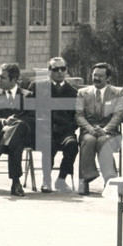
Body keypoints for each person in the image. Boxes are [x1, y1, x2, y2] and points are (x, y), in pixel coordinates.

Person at [28, 56, 78, 193]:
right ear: (49, 71)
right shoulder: (37, 87)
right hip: (42, 131)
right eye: (55, 69)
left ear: (67, 70)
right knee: (48, 143)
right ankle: (46, 180)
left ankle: (61, 179)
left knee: (72, 145)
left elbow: (76, 117)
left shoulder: (73, 92)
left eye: (63, 69)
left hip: (64, 132)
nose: (60, 72)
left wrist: (67, 128)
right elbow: (29, 112)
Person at [0, 62, 33, 197]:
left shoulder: (27, 95)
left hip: (22, 133)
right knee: (15, 142)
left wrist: (12, 124)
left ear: (14, 80)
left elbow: (32, 119)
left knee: (20, 126)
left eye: (2, 78)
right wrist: (4, 122)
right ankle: (16, 182)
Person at [75, 62, 123, 194]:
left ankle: (110, 182)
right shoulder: (82, 93)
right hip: (89, 131)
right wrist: (90, 128)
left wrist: (105, 129)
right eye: (94, 75)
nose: (96, 78)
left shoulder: (118, 93)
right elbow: (79, 115)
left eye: (100, 76)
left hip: (111, 133)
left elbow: (118, 115)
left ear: (108, 78)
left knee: (103, 141)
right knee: (89, 140)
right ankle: (85, 180)